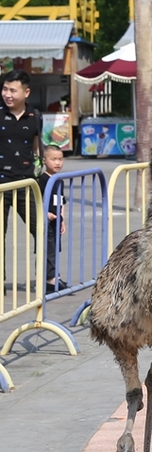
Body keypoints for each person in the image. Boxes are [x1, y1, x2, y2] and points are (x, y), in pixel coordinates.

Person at [0, 70, 43, 288]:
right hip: (1, 185)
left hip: (26, 185)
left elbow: (37, 152)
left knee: (42, 230)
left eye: (12, 90)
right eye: (5, 89)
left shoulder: (35, 116)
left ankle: (46, 277)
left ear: (26, 92)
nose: (7, 94)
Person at [37, 145, 67, 292]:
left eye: (60, 159)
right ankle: (50, 278)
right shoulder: (41, 180)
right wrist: (46, 213)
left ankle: (54, 275)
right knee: (47, 249)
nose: (57, 163)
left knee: (55, 249)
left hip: (56, 222)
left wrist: (62, 219)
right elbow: (36, 201)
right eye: (53, 159)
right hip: (45, 222)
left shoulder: (59, 180)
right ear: (44, 161)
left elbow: (62, 202)